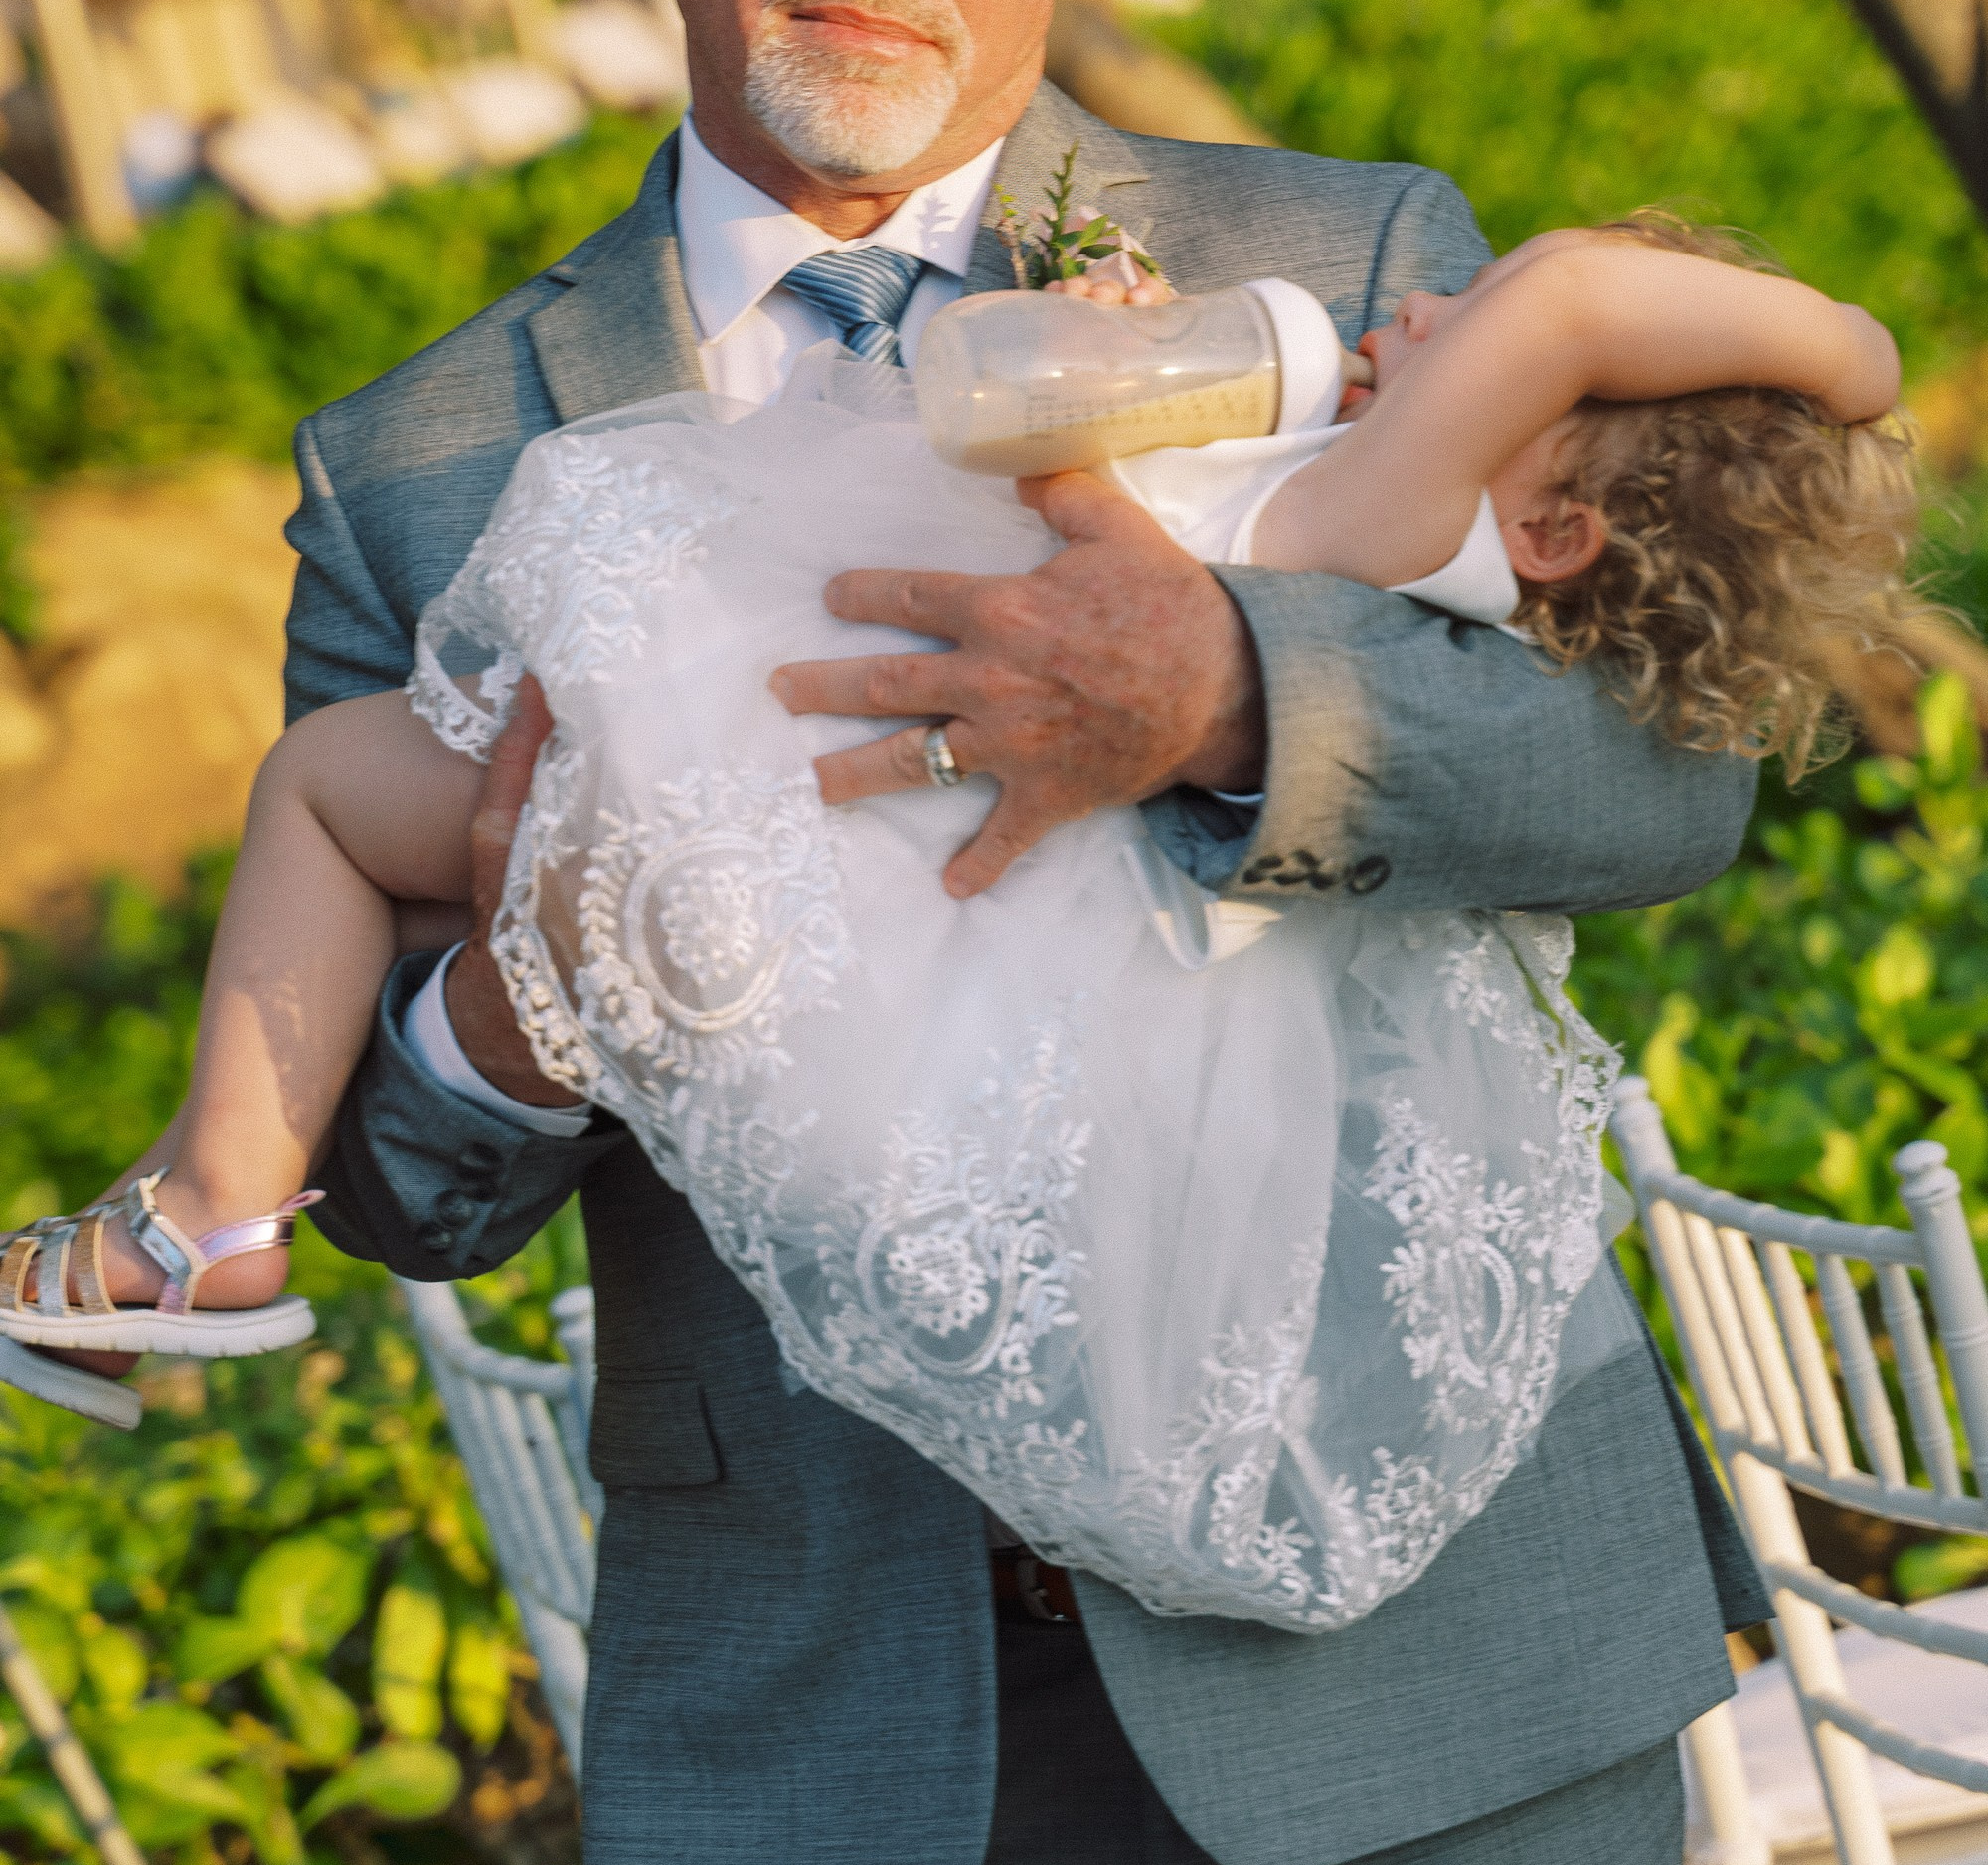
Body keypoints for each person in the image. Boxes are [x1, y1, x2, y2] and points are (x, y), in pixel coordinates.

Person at [152, 0, 1789, 1865]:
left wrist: (1231, 695)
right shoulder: (427, 462)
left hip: (1425, 1706)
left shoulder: (1351, 270)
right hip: (836, 1822)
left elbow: (1662, 792)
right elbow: (398, 1192)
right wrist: (521, 1015)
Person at [0, 229, 1910, 1655]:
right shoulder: (1363, 484)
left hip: (806, 810)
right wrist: (512, 1011)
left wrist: (1851, 347)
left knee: (326, 788)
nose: (1434, 305)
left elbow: (1572, 320)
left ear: (1556, 527)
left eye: (1474, 324)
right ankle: (194, 1225)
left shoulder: (1389, 506)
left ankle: (200, 1218)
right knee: (403, 883)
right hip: (839, 884)